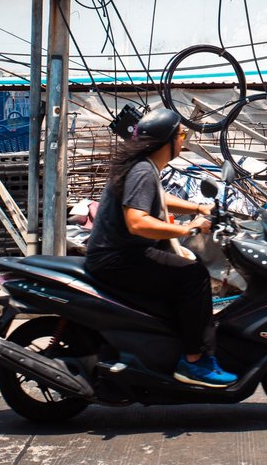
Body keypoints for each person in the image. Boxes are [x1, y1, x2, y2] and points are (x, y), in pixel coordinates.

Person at [85, 107, 238, 388]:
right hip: (118, 258)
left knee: (181, 271)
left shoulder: (145, 167)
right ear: (166, 141)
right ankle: (195, 361)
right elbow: (137, 222)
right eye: (181, 134)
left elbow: (158, 196)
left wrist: (197, 206)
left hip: (116, 254)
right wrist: (187, 228)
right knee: (194, 276)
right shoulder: (143, 170)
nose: (184, 139)